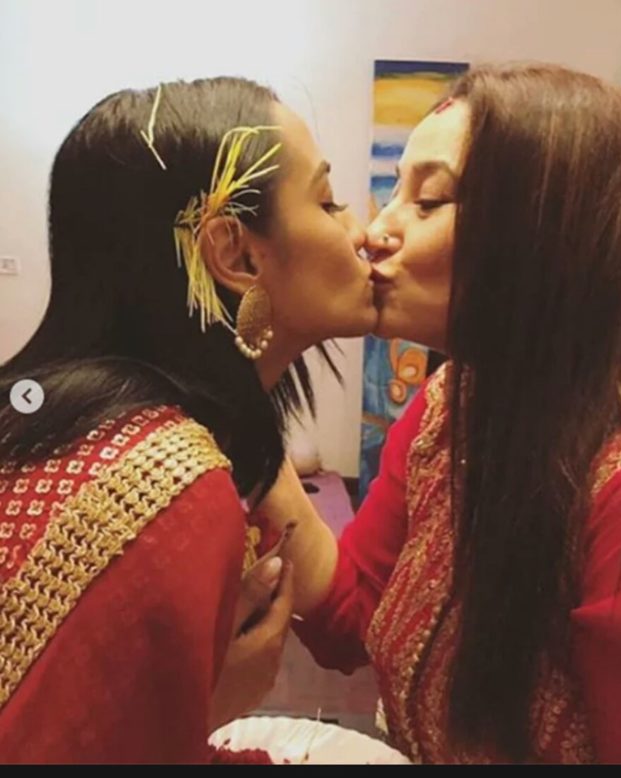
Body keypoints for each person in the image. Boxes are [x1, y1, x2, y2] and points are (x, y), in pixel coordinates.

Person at [252, 63, 621, 764]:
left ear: (548, 235)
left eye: (428, 201)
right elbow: (351, 617)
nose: (375, 231)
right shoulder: (450, 408)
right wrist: (243, 390)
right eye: (393, 195)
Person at [0, 75, 376, 763]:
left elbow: (348, 621)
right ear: (236, 254)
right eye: (328, 201)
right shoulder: (171, 483)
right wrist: (203, 704)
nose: (365, 231)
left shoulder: (73, 418)